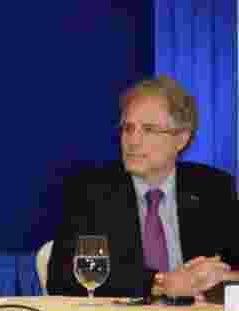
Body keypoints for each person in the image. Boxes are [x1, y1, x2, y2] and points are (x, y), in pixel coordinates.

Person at [47, 75, 236, 299]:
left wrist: (221, 277)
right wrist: (161, 284)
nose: (133, 141)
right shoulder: (90, 190)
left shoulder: (212, 187)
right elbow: (62, 278)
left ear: (181, 139)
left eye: (148, 129)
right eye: (128, 128)